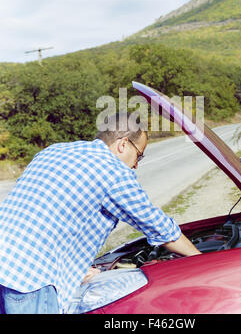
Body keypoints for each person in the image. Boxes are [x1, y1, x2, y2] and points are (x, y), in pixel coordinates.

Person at [0, 113, 201, 314]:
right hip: (29, 281)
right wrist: (199, 259)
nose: (137, 164)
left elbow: (44, 215)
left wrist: (71, 270)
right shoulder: (113, 172)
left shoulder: (54, 150)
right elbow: (158, 226)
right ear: (123, 144)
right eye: (139, 155)